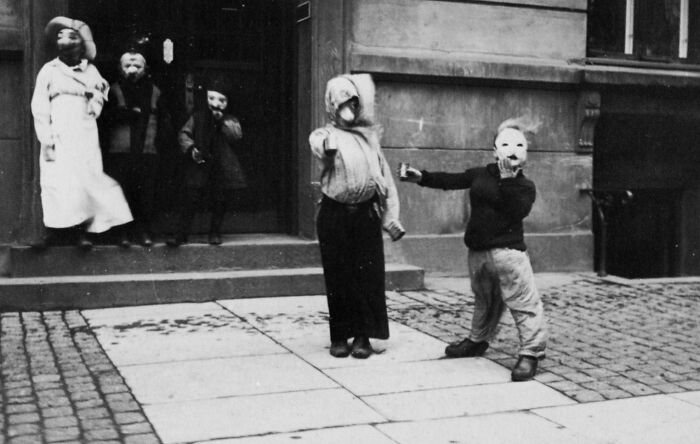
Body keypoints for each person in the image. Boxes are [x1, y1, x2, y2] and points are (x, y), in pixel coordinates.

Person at [400, 119, 547, 381]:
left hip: (508, 255)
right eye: (505, 144)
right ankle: (477, 340)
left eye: (518, 145)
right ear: (494, 151)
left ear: (525, 153)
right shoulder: (480, 174)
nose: (511, 149)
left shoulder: (525, 186)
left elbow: (516, 210)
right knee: (484, 301)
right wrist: (421, 177)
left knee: (523, 303)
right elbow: (452, 180)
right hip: (478, 254)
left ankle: (531, 353)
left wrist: (507, 180)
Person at [309, 73, 405, 359]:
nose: (349, 110)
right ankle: (340, 335)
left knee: (368, 274)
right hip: (335, 214)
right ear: (332, 107)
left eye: (353, 103)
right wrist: (327, 150)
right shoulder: (325, 134)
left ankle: (363, 336)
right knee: (339, 275)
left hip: (365, 214)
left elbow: (385, 179)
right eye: (342, 105)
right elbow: (319, 148)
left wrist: (390, 218)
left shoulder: (369, 138)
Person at [31, 16, 132, 250]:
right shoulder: (49, 70)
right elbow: (39, 106)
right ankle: (55, 230)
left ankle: (84, 231)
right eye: (59, 36)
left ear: (80, 43)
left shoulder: (92, 71)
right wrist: (46, 136)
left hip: (83, 131)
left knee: (86, 178)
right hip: (58, 132)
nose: (63, 40)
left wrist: (93, 106)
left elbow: (100, 92)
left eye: (69, 36)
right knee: (57, 181)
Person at [167, 74, 245, 246]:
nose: (215, 103)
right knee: (190, 198)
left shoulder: (230, 119)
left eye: (221, 100)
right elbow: (184, 133)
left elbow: (236, 136)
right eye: (211, 98)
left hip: (221, 166)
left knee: (219, 200)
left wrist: (222, 121)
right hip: (200, 164)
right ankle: (181, 234)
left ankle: (215, 232)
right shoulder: (198, 117)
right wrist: (190, 147)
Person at [103, 46, 164, 248]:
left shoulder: (155, 91)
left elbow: (164, 121)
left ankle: (143, 231)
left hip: (147, 150)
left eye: (137, 65)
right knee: (122, 192)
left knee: (146, 195)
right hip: (121, 151)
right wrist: (127, 113)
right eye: (127, 65)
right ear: (121, 68)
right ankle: (123, 233)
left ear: (144, 69)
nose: (132, 69)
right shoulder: (113, 90)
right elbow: (105, 119)